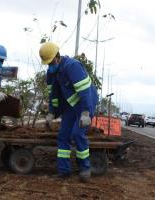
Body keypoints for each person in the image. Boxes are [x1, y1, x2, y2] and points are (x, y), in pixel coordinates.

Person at [39, 42, 98, 182]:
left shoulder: (73, 67)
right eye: (47, 63)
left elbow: (85, 93)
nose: (50, 66)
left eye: (51, 62)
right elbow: (52, 95)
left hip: (85, 104)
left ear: (57, 57)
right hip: (70, 107)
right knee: (63, 136)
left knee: (77, 134)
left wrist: (86, 113)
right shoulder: (51, 72)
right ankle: (64, 171)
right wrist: (52, 113)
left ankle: (85, 168)